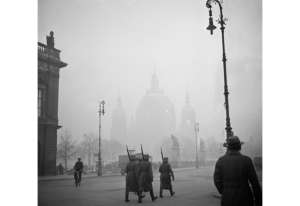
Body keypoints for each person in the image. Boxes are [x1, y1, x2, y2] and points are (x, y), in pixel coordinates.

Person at [213, 136, 262, 206]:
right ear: (239, 147)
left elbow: (217, 180)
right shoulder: (247, 160)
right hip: (245, 197)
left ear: (228, 147)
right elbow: (254, 183)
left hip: (227, 198)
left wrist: (224, 191)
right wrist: (259, 201)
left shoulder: (221, 160)